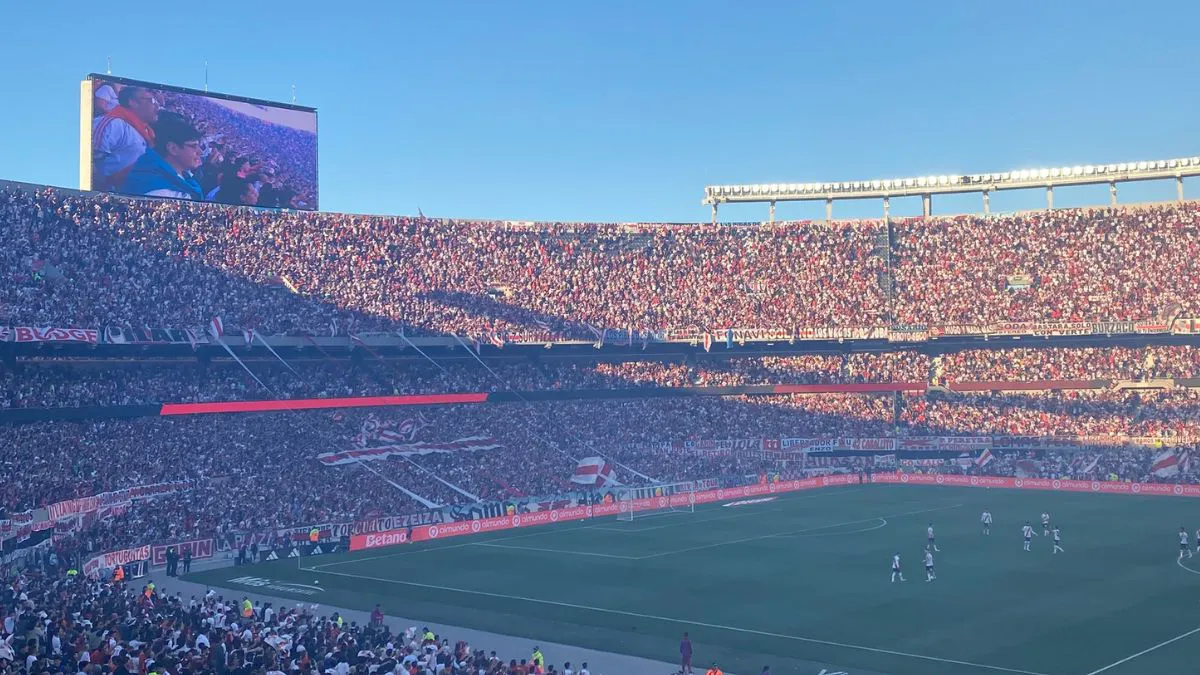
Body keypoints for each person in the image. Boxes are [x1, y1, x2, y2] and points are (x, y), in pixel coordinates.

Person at [121, 112, 203, 200]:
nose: (200, 152)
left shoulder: (181, 175)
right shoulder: (160, 193)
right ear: (173, 149)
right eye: (193, 146)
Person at [92, 85, 159, 190]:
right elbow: (88, 166)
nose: (157, 106)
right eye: (152, 100)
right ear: (133, 102)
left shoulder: (147, 132)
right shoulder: (113, 124)